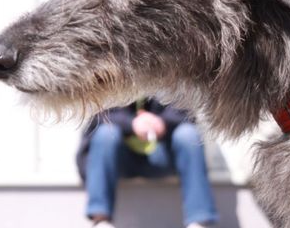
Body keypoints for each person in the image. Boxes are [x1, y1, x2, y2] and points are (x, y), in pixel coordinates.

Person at [76, 98, 218, 228]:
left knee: (188, 134)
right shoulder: (111, 78)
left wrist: (161, 122)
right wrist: (132, 124)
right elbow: (99, 117)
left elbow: (186, 112)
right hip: (122, 159)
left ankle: (199, 221)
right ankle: (100, 220)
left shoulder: (171, 74)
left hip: (162, 156)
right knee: (105, 133)